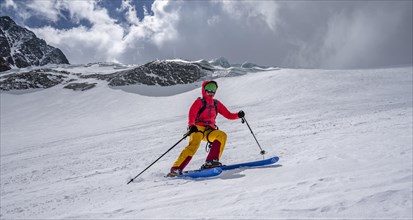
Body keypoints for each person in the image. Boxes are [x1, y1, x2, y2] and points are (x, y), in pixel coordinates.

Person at [167, 80, 245, 177]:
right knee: (193, 145)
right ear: (204, 90)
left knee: (221, 135)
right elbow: (192, 114)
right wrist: (191, 125)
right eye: (209, 90)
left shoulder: (216, 104)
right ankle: (176, 168)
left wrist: (238, 115)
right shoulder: (199, 102)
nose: (211, 92)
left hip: (209, 131)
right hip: (197, 128)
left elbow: (228, 115)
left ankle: (211, 162)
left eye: (213, 90)